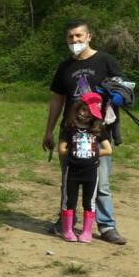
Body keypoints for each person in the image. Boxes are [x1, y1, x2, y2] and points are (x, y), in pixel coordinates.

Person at [43, 19, 127, 245]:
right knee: (68, 181)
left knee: (101, 182)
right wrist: (49, 130)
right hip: (70, 133)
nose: (75, 40)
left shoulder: (106, 61)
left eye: (79, 36)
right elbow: (57, 100)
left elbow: (124, 89)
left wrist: (116, 94)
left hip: (98, 132)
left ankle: (107, 226)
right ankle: (65, 222)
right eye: (70, 37)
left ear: (89, 36)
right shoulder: (64, 67)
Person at [57, 93, 112, 243]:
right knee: (69, 200)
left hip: (91, 172)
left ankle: (87, 232)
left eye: (90, 111)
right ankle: (67, 230)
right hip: (72, 171)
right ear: (78, 109)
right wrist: (73, 151)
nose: (85, 113)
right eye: (84, 110)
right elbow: (61, 149)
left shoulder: (98, 129)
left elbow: (108, 150)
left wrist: (93, 153)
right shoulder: (69, 128)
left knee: (89, 201)